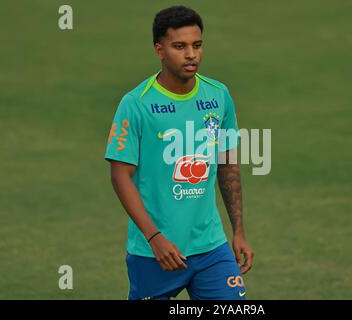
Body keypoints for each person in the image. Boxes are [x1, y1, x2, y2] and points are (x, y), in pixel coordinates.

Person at [104, 5, 254, 300]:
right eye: (179, 46)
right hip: (154, 253)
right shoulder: (136, 104)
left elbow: (227, 165)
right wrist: (154, 238)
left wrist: (238, 231)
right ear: (160, 50)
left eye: (197, 45)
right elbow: (120, 176)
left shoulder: (218, 95)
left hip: (211, 248)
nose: (191, 55)